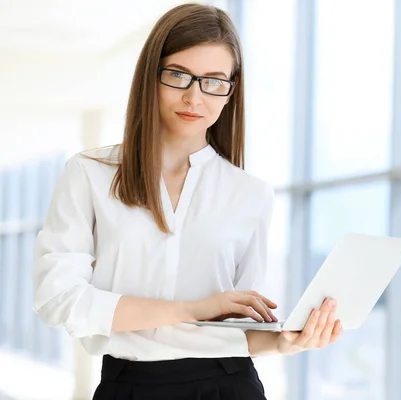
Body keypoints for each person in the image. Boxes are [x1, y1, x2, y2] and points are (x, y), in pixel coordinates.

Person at [31, 4, 342, 399]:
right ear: (151, 77)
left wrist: (289, 341)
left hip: (231, 386)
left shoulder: (251, 193)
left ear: (231, 91)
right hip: (130, 385)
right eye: (179, 75)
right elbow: (59, 300)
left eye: (214, 81)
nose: (194, 97)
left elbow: (240, 330)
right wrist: (190, 309)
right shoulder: (90, 173)